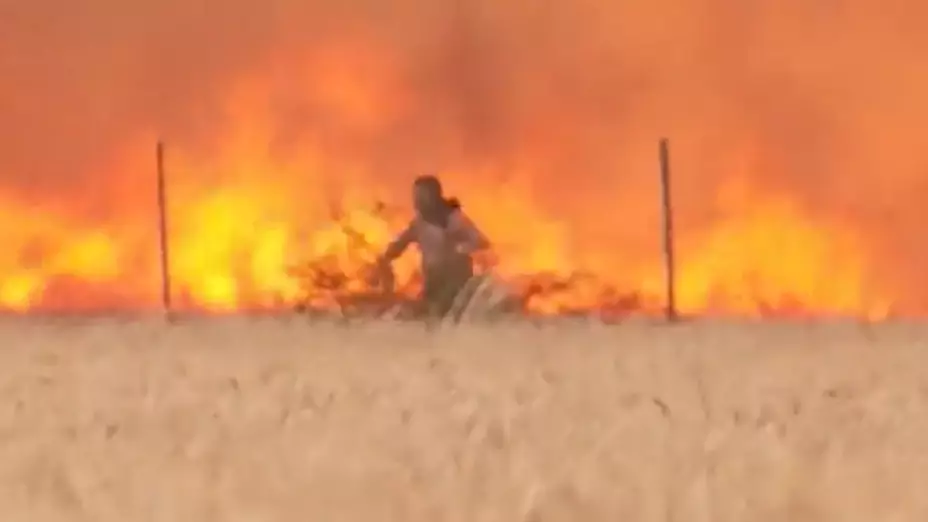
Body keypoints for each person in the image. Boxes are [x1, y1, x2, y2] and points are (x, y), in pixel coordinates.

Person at [375, 175, 490, 318]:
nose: (416, 202)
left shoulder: (454, 219)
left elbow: (481, 241)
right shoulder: (420, 223)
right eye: (415, 197)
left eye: (421, 197)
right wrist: (386, 256)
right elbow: (401, 242)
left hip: (454, 284)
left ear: (434, 197)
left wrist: (460, 249)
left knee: (441, 317)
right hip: (432, 282)